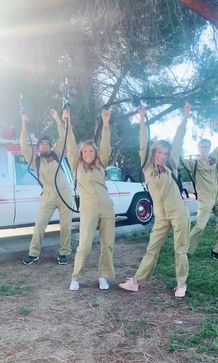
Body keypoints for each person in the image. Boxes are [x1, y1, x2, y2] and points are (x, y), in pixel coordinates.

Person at [119, 104, 191, 297]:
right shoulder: (147, 167)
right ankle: (136, 281)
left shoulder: (171, 166)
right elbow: (143, 143)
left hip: (178, 215)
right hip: (161, 217)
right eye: (159, 152)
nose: (162, 156)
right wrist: (142, 119)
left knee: (180, 250)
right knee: (152, 249)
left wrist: (184, 117)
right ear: (154, 152)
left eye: (165, 153)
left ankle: (181, 284)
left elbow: (178, 140)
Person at [65, 108, 115, 291]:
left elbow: (106, 145)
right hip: (88, 209)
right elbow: (70, 144)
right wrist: (67, 123)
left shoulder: (101, 163)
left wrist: (106, 123)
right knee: (84, 244)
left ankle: (104, 276)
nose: (87, 153)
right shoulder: (76, 165)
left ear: (95, 152)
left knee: (108, 244)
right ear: (81, 153)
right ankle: (76, 276)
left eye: (90, 151)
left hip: (107, 207)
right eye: (84, 151)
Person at [20, 110, 73, 265]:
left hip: (65, 194)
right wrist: (23, 123)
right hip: (48, 195)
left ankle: (64, 253)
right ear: (38, 148)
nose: (44, 146)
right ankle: (34, 253)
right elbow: (23, 145)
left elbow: (63, 138)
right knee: (40, 225)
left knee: (65, 225)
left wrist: (57, 118)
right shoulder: (34, 160)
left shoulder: (56, 154)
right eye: (41, 144)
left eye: (46, 144)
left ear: (50, 146)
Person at [183, 121, 218, 260]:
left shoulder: (213, 157)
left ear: (209, 148)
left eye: (207, 147)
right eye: (202, 147)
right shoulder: (193, 163)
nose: (204, 149)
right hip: (205, 198)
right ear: (198, 147)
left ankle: (217, 251)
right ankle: (185, 250)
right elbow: (177, 160)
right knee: (200, 226)